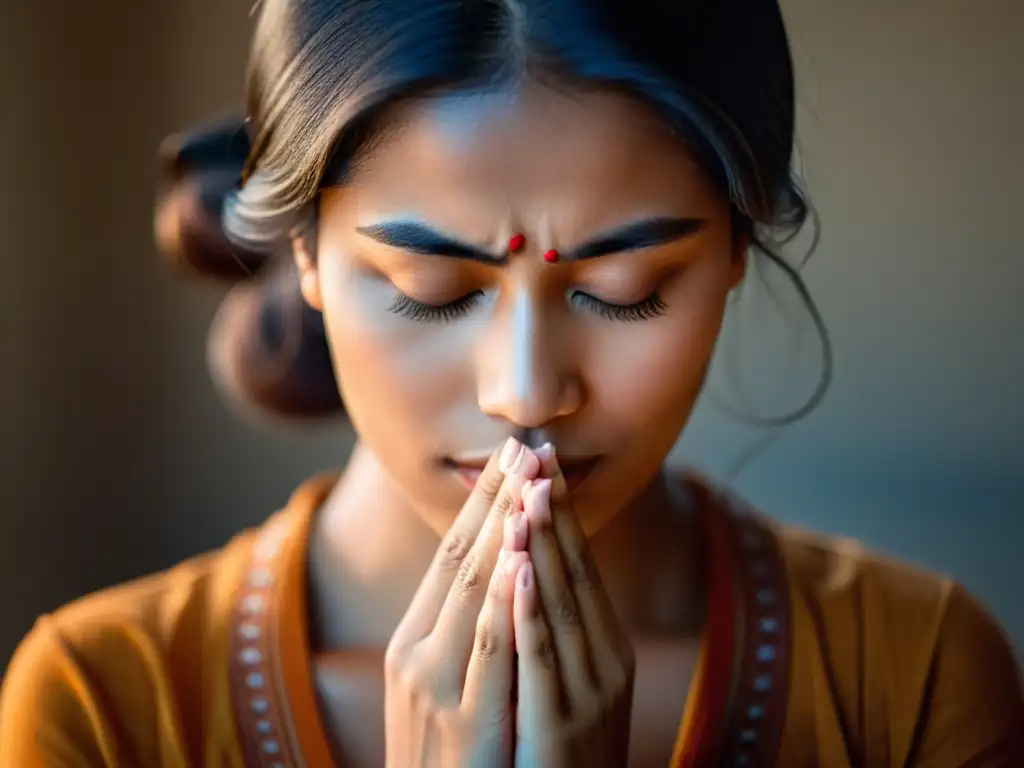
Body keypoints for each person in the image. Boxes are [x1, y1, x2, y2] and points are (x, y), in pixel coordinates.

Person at [2, 0, 1022, 765]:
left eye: (625, 290)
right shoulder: (108, 707)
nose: (526, 395)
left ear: (734, 249)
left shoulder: (908, 679)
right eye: (433, 290)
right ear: (305, 254)